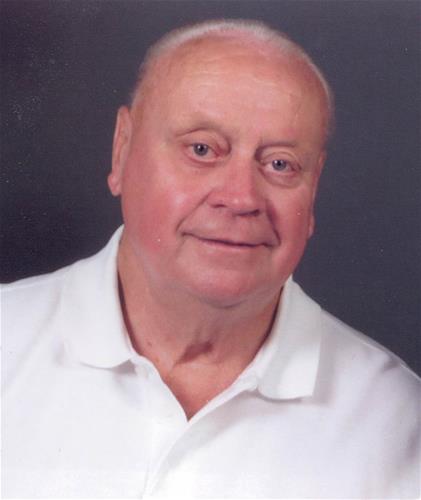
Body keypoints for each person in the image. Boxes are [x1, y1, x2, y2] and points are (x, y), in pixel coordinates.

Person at [2, 19, 419, 499]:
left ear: (314, 189)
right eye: (202, 150)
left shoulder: (396, 424)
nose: (241, 198)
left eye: (280, 164)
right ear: (122, 150)